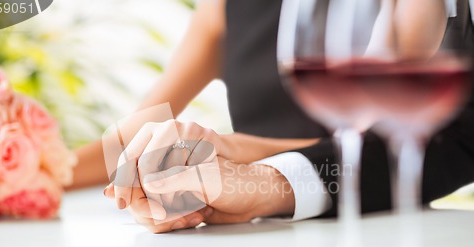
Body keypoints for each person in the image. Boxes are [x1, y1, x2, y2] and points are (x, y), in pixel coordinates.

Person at [82, 0, 474, 233]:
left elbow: (404, 136)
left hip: (377, 227)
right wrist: (41, 167)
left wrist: (242, 161)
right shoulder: (224, 6)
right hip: (258, 239)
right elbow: (132, 133)